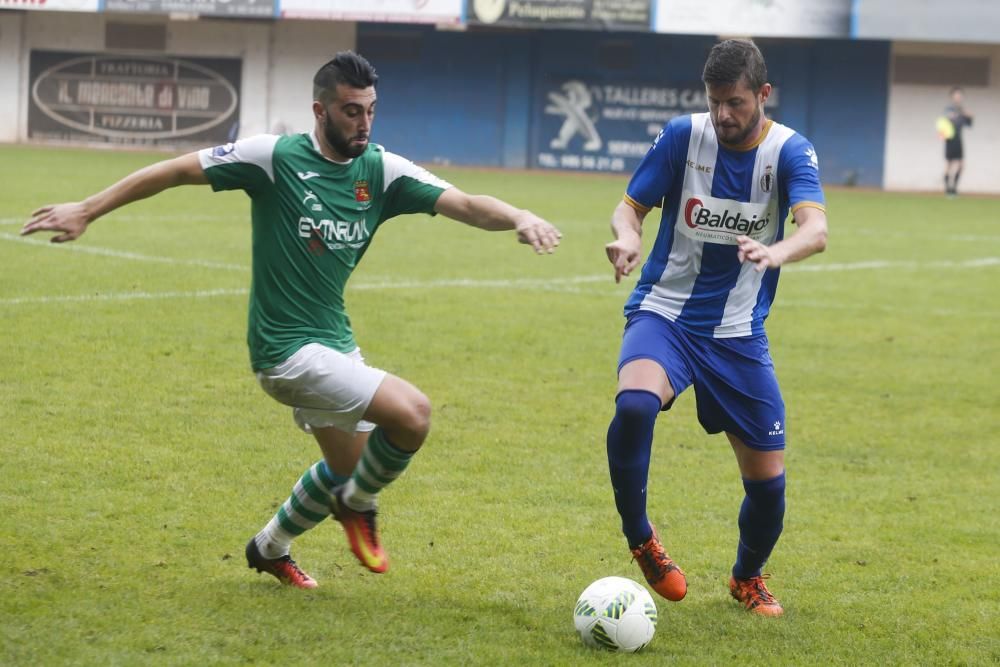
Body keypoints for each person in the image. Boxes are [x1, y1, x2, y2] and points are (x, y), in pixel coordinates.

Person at [21, 51, 562, 589]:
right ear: (319, 111)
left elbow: (466, 204)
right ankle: (360, 507)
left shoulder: (382, 170)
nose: (364, 123)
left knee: (346, 467)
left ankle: (270, 547)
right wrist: (87, 209)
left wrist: (520, 215)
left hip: (335, 344)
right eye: (351, 111)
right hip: (284, 351)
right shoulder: (272, 158)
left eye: (371, 110)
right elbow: (173, 170)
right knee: (413, 415)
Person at [603, 39, 828, 617]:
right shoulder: (683, 136)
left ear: (763, 94)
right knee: (633, 406)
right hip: (665, 313)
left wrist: (779, 252)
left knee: (769, 485)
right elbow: (631, 207)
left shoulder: (789, 151)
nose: (722, 114)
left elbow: (815, 228)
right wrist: (627, 237)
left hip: (737, 333)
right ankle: (642, 538)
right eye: (714, 101)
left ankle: (746, 576)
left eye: (734, 102)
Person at [942, 86, 973, 196]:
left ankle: (954, 187)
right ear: (952, 96)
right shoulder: (949, 109)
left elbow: (969, 124)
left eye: (960, 95)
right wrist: (956, 115)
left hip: (959, 139)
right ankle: (947, 189)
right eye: (956, 95)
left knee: (961, 165)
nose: (958, 97)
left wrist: (969, 116)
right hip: (950, 138)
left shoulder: (962, 110)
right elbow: (944, 121)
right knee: (949, 164)